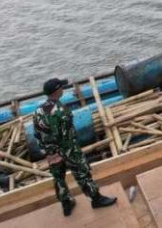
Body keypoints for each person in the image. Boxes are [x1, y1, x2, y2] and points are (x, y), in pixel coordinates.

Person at [33, 78, 118, 216]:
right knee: (82, 173)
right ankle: (96, 199)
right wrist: (72, 151)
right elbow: (65, 135)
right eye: (61, 87)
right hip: (67, 149)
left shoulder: (38, 111)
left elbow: (37, 134)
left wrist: (48, 150)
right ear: (56, 91)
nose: (63, 89)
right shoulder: (60, 110)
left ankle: (66, 203)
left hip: (50, 152)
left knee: (58, 177)